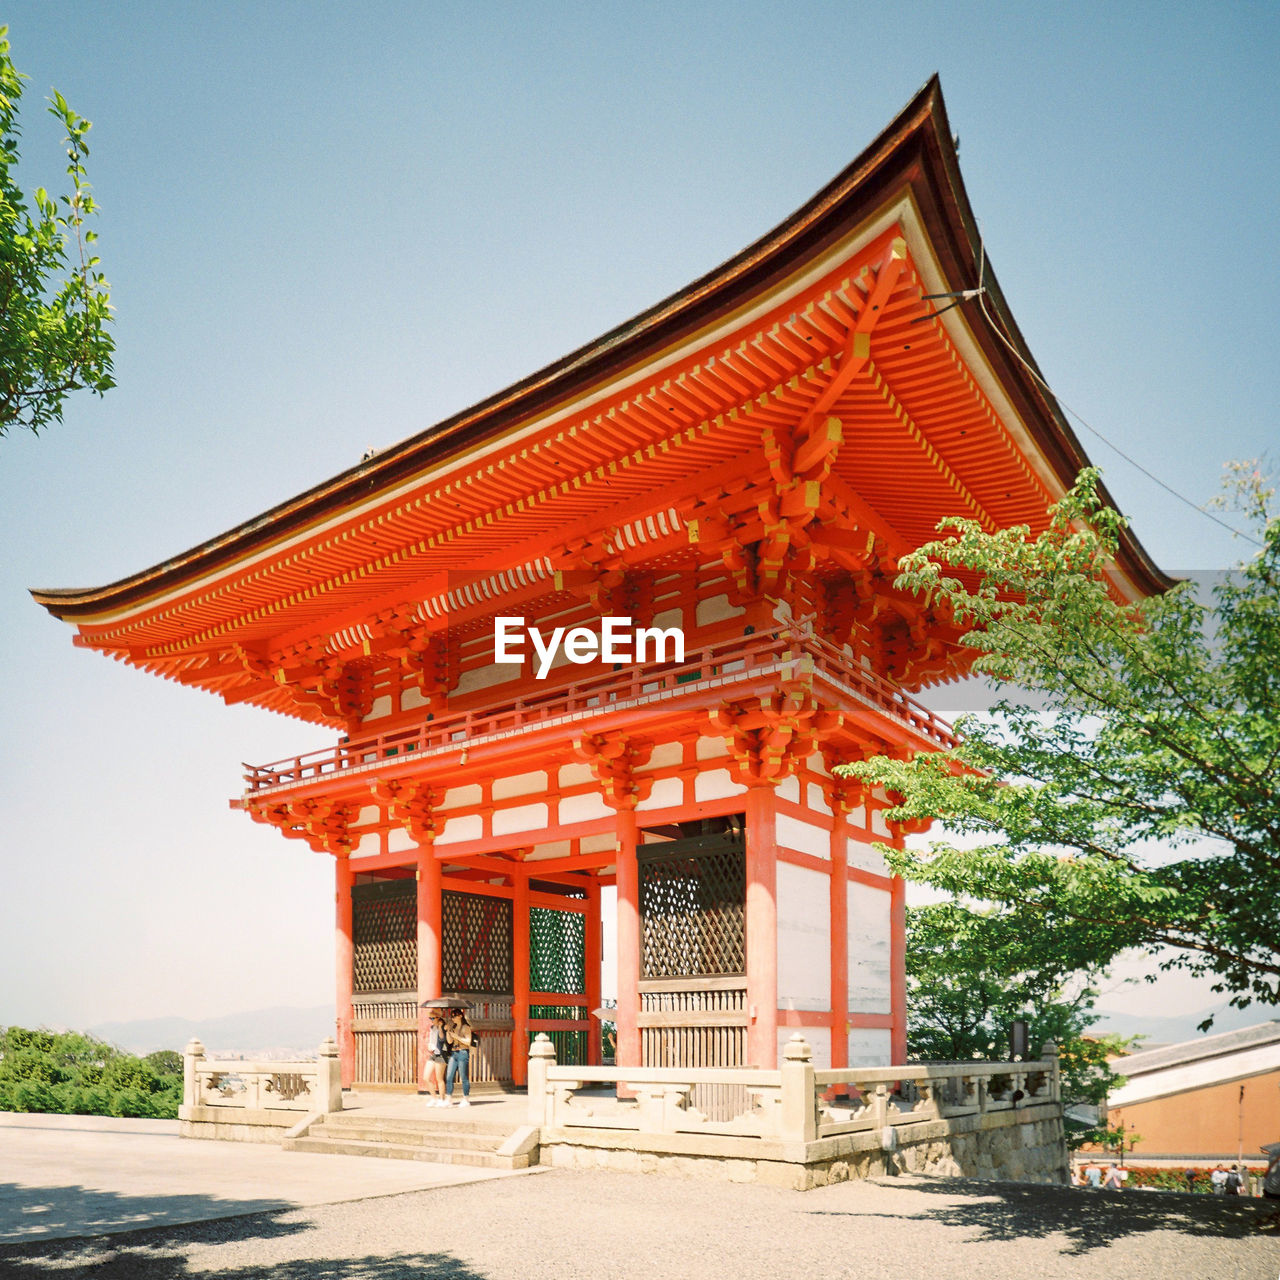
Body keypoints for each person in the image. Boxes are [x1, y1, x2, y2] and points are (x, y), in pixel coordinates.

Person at [443, 1007, 474, 1107]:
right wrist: (448, 1031)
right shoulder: (454, 1027)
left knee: (463, 1076)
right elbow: (450, 1042)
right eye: (452, 1017)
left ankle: (466, 1099)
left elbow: (468, 1041)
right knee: (449, 1076)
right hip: (454, 1053)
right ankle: (449, 1098)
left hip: (463, 1052)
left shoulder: (466, 1027)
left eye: (454, 1016)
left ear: (460, 1016)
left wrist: (457, 1037)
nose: (453, 1018)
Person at [423, 1010, 450, 1108]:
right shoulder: (431, 1027)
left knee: (439, 1079)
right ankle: (434, 1098)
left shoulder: (443, 1026)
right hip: (434, 1054)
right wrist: (430, 1046)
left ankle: (442, 1099)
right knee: (426, 1077)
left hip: (441, 1055)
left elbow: (442, 1039)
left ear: (438, 1017)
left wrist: (440, 1027)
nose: (431, 1020)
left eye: (433, 1018)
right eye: (430, 1018)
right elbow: (432, 1039)